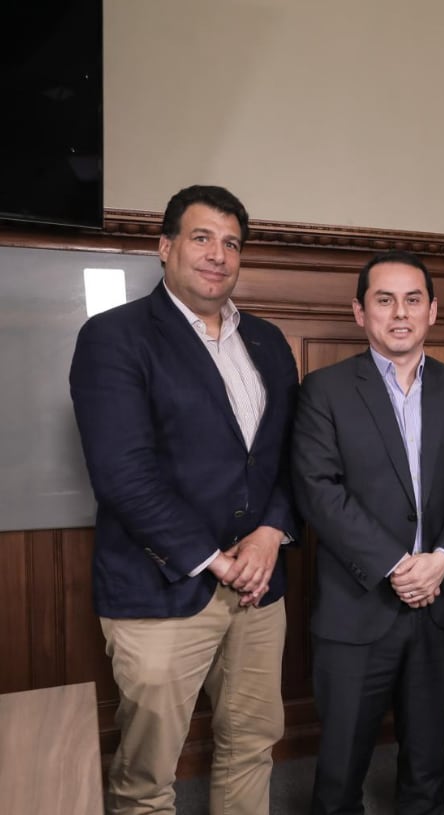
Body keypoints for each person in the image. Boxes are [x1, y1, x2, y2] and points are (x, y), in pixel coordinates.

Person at [69, 184, 299, 815]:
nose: (217, 255)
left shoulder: (269, 344)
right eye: (201, 238)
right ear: (164, 246)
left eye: (231, 243)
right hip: (159, 588)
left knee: (251, 746)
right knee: (147, 779)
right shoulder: (115, 338)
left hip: (258, 590)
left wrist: (270, 534)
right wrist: (216, 559)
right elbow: (124, 474)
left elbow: (285, 457)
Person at [291, 250, 444, 815]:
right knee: (340, 769)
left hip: (438, 604)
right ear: (359, 312)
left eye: (413, 299)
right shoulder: (323, 390)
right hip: (358, 608)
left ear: (432, 312)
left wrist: (443, 559)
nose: (400, 313)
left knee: (427, 764)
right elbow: (318, 491)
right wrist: (400, 567)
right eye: (384, 300)